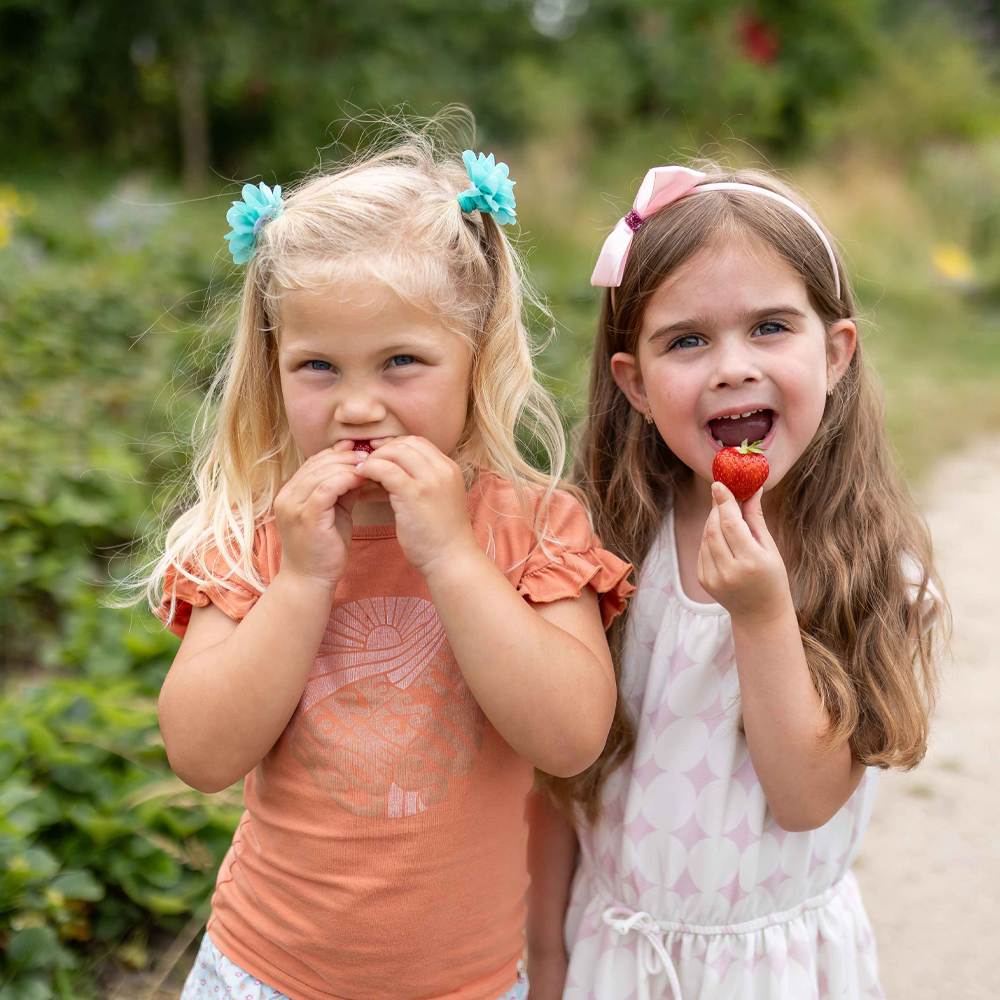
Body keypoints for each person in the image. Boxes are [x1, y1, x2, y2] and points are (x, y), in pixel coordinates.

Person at [142, 132, 634, 1000]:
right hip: (265, 974)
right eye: (318, 367)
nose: (358, 406)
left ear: (474, 359)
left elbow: (569, 738)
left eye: (401, 362)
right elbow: (200, 754)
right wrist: (301, 582)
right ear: (274, 369)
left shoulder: (532, 529)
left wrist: (450, 553)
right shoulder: (262, 536)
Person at [525, 164, 947, 1000]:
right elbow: (559, 778)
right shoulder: (604, 548)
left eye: (769, 327)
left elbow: (804, 799)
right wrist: (544, 957)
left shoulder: (867, 566)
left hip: (779, 970)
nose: (731, 368)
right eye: (686, 340)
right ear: (635, 385)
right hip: (617, 958)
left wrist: (762, 613)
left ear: (834, 355)